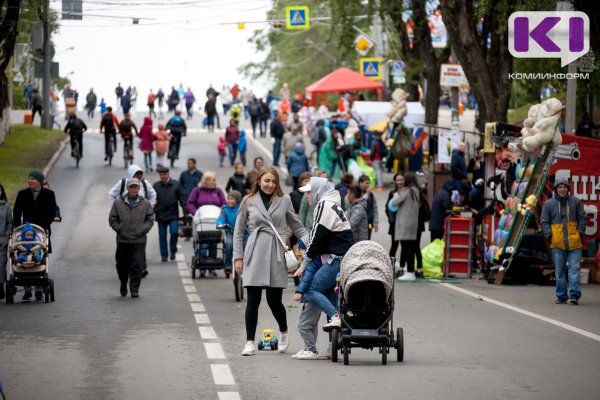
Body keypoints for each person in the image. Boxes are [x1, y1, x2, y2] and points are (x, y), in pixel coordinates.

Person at [233, 167, 309, 356]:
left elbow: (297, 226)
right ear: (259, 181)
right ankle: (250, 341)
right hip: (255, 252)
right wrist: (238, 257)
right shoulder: (248, 201)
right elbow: (238, 230)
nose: (270, 185)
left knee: (274, 301)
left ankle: (283, 332)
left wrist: (313, 243)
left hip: (276, 252)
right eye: (267, 181)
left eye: (274, 181)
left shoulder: (284, 200)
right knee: (253, 300)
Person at [293, 177, 355, 333]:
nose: (306, 197)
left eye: (308, 193)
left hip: (337, 259)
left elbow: (316, 237)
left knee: (310, 289)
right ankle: (333, 343)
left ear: (317, 191)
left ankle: (336, 317)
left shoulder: (323, 205)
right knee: (331, 296)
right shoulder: (332, 204)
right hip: (344, 258)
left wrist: (304, 263)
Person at [541, 177, 586, 305]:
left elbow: (582, 219)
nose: (562, 189)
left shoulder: (576, 202)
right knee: (559, 271)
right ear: (555, 189)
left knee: (574, 269)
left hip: (575, 243)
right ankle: (561, 296)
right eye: (559, 187)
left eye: (564, 187)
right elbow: (544, 222)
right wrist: (550, 236)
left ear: (568, 188)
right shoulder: (549, 204)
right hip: (557, 243)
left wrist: (580, 233)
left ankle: (574, 295)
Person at [13, 171, 57, 300]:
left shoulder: (49, 194)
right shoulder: (22, 194)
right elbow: (16, 212)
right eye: (29, 179)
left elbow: (52, 211)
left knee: (40, 257)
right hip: (25, 231)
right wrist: (18, 228)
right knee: (25, 257)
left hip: (42, 231)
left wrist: (43, 225)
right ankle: (27, 290)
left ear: (39, 181)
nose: (29, 181)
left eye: (32, 179)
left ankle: (39, 289)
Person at [109, 178, 155, 298]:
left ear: (139, 188)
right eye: (131, 187)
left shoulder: (145, 203)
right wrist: (119, 229)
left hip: (139, 240)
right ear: (127, 188)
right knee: (121, 264)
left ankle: (134, 289)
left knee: (137, 265)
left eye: (136, 187)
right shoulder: (118, 202)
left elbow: (150, 218)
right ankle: (123, 283)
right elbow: (112, 218)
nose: (133, 189)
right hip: (122, 240)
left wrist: (143, 229)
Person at [187, 172, 227, 277]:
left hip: (214, 220)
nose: (215, 182)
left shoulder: (218, 191)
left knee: (213, 243)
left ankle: (212, 267)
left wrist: (221, 212)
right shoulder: (197, 191)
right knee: (203, 244)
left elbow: (223, 203)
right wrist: (196, 213)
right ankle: (202, 268)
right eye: (213, 180)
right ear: (206, 181)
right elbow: (190, 203)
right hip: (202, 221)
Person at [390, 172, 421, 281]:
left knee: (406, 247)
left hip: (404, 223)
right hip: (413, 223)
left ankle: (410, 272)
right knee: (411, 247)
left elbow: (394, 203)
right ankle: (411, 271)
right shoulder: (416, 190)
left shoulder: (406, 191)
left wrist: (395, 196)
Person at [153, 165, 186, 262]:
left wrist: (185, 210)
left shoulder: (176, 184)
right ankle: (164, 255)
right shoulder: (156, 186)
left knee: (174, 232)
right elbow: (151, 199)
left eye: (165, 174)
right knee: (162, 236)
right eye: (161, 175)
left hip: (173, 214)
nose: (163, 176)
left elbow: (182, 197)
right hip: (161, 215)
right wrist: (151, 211)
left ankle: (172, 251)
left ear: (168, 174)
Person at [217, 190, 243, 274]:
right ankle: (228, 265)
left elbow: (249, 218)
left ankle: (247, 264)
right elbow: (221, 218)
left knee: (247, 247)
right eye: (228, 198)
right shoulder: (225, 209)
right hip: (230, 231)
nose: (229, 201)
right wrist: (220, 224)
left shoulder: (242, 208)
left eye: (232, 199)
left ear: (238, 200)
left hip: (243, 232)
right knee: (229, 244)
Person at [387, 173, 404, 263]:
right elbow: (388, 207)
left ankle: (402, 266)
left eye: (401, 180)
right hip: (394, 224)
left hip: (404, 223)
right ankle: (391, 265)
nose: (399, 182)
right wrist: (391, 219)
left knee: (404, 246)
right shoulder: (392, 193)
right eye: (398, 180)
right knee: (394, 245)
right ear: (395, 181)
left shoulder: (407, 192)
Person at [0, 183, 13, 300]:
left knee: (1, 264)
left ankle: (0, 287)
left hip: (2, 240)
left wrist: (7, 236)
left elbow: (10, 223)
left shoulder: (6, 207)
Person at [358, 175, 379, 239]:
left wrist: (376, 222)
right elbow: (358, 203)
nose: (368, 185)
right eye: (366, 183)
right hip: (359, 223)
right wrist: (366, 194)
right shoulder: (356, 193)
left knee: (367, 240)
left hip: (369, 222)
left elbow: (374, 208)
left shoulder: (371, 194)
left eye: (369, 183)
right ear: (360, 183)